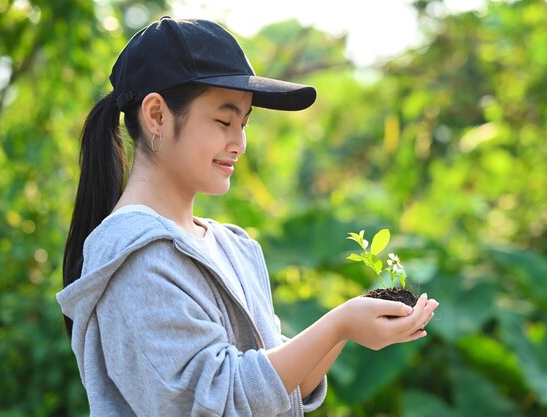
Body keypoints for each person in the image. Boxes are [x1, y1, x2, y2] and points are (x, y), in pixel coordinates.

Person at [57, 16, 439, 417]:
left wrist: (349, 328)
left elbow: (279, 388)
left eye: (243, 123)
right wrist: (339, 324)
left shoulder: (232, 245)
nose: (238, 143)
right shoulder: (134, 256)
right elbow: (212, 402)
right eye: (223, 121)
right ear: (157, 116)